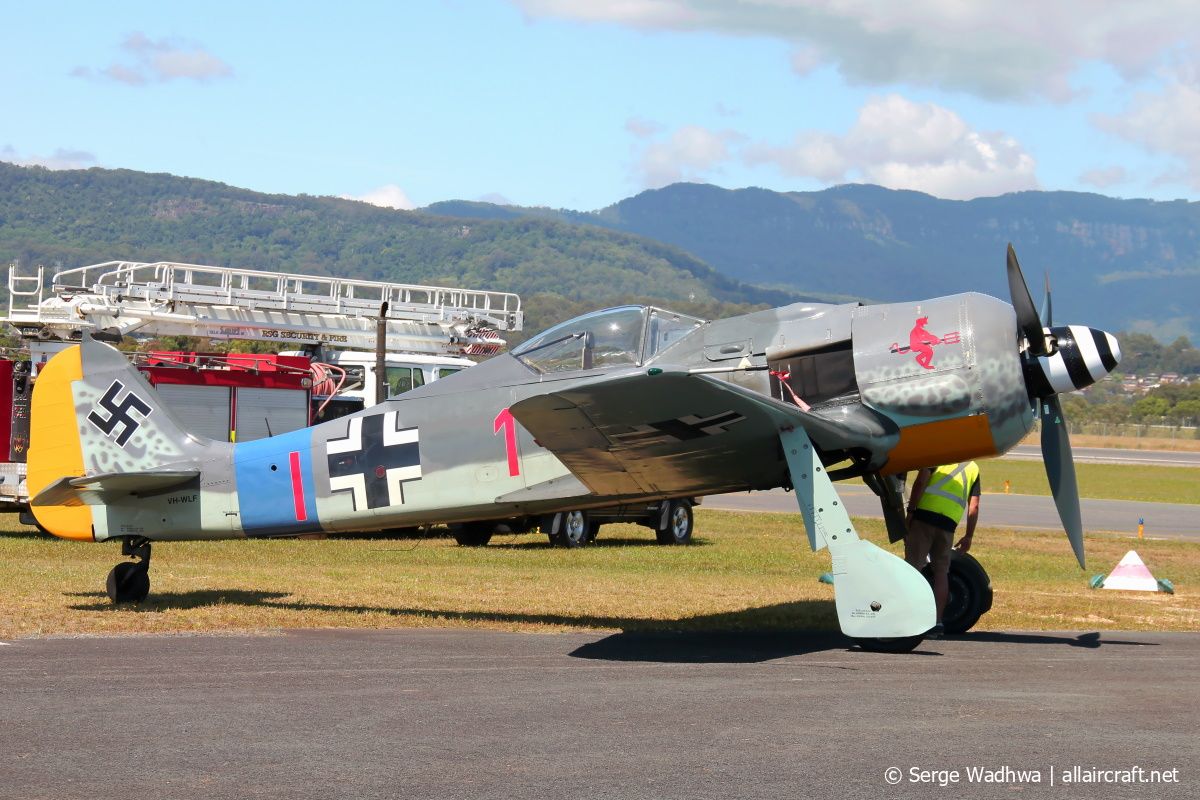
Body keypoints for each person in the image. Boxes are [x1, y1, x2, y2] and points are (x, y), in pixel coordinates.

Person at [904, 461, 980, 638]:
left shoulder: (940, 453)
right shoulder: (974, 468)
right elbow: (974, 507)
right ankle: (936, 622)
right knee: (941, 573)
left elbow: (921, 482)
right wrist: (969, 535)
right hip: (948, 525)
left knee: (912, 568)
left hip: (924, 517)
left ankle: (908, 617)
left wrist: (911, 512)